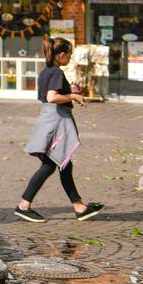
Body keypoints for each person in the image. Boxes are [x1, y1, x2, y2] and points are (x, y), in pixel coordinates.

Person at [15, 37, 105, 223]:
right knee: (50, 165)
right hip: (55, 121)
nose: (70, 58)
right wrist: (72, 95)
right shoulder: (56, 72)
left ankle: (79, 207)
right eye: (69, 55)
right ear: (61, 55)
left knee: (64, 164)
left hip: (48, 119)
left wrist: (69, 88)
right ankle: (24, 205)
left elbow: (50, 93)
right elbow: (51, 97)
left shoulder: (47, 71)